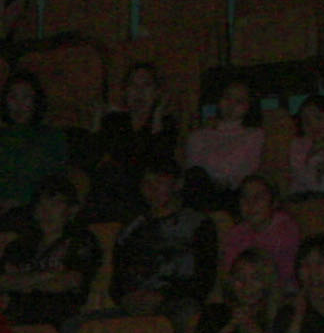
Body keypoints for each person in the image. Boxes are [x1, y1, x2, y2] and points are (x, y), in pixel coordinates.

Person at [112, 161, 216, 326]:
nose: (151, 189)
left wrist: (164, 296)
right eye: (146, 183)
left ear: (178, 184)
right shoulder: (131, 228)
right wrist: (127, 297)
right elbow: (117, 278)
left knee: (187, 314)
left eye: (159, 182)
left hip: (177, 302)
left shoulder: (198, 225)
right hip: (135, 303)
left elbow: (203, 279)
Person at [0, 177, 99, 333]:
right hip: (16, 317)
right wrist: (49, 274)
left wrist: (22, 282)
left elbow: (70, 280)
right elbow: (0, 281)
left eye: (55, 204)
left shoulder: (81, 240)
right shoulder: (20, 244)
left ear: (72, 209)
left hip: (59, 319)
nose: (46, 210)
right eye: (41, 204)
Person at [79, 61, 179, 223]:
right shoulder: (115, 121)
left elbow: (160, 160)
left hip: (145, 189)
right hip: (115, 187)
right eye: (133, 85)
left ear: (157, 92)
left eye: (146, 85)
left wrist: (157, 117)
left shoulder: (165, 123)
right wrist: (97, 120)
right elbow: (90, 159)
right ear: (125, 91)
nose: (139, 92)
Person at [0, 72, 68, 226]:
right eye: (13, 97)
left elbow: (55, 180)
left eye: (26, 97)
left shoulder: (51, 137)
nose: (19, 105)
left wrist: (22, 202)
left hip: (37, 213)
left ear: (36, 101)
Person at [182, 76, 266, 207]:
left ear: (249, 106)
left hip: (233, 194)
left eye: (239, 101)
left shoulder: (254, 135)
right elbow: (192, 169)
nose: (231, 105)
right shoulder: (199, 136)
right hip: (202, 192)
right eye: (227, 98)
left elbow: (247, 170)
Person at [219, 173, 303, 290]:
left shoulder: (287, 232)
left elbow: (284, 278)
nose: (250, 204)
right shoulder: (236, 234)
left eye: (258, 198)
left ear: (274, 202)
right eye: (245, 198)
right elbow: (230, 273)